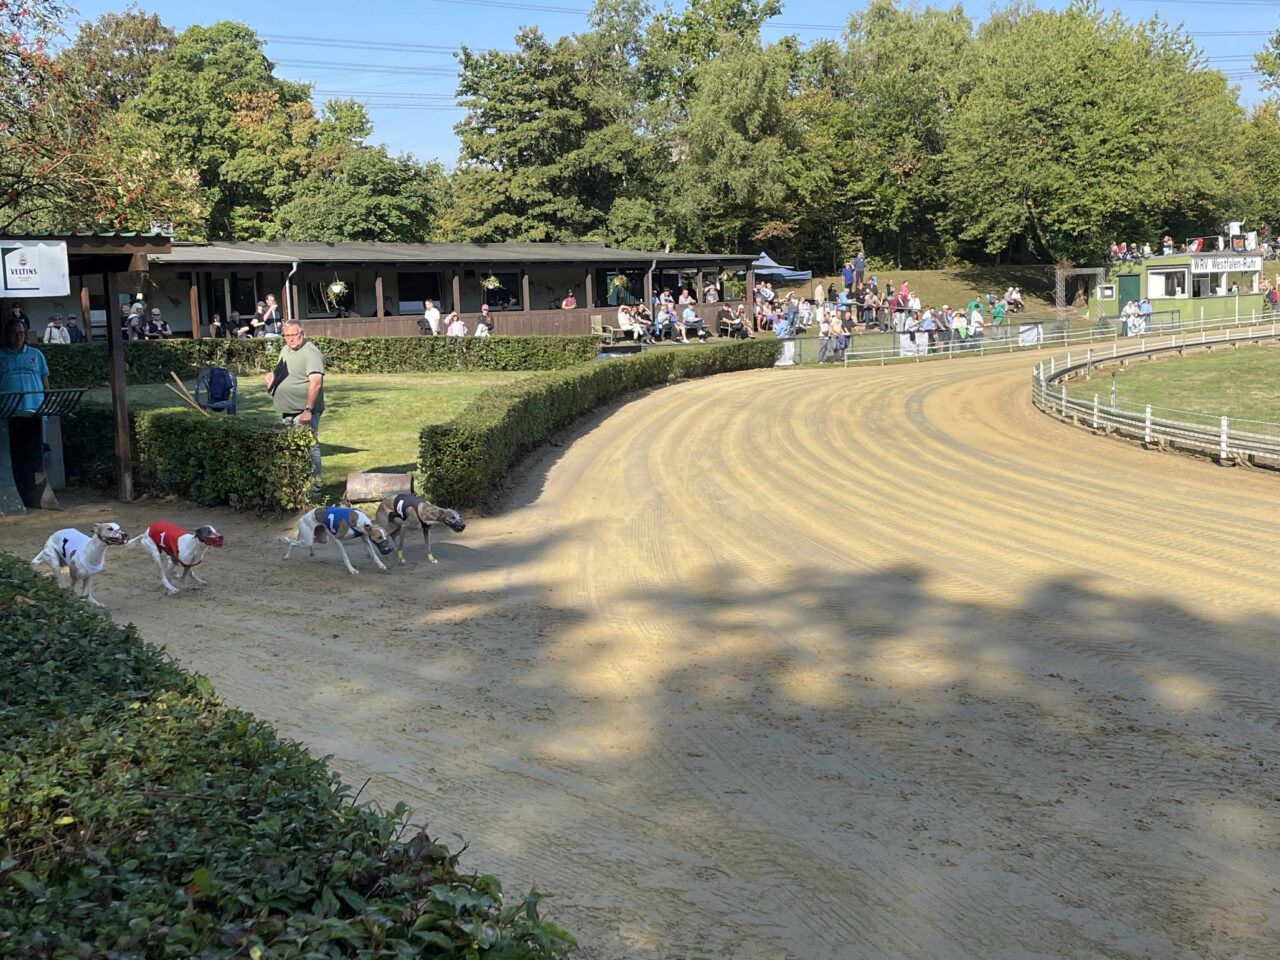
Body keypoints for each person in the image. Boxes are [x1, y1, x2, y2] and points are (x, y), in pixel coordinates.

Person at [266, 320, 325, 487]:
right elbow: (282, 372)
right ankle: (296, 484)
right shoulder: (285, 350)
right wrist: (271, 378)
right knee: (291, 447)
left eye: (294, 334)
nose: (291, 339)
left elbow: (316, 383)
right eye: (287, 335)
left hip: (304, 411)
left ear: (303, 334)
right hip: (287, 409)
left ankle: (314, 486)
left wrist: (308, 410)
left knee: (309, 447)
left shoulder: (311, 353)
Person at [0, 318, 50, 506]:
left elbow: (45, 381)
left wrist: (46, 404)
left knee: (36, 454)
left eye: (20, 333)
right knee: (12, 457)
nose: (17, 337)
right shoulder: (1, 355)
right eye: (13, 333)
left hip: (35, 412)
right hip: (8, 415)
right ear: (6, 335)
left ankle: (35, 494)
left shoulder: (36, 355)